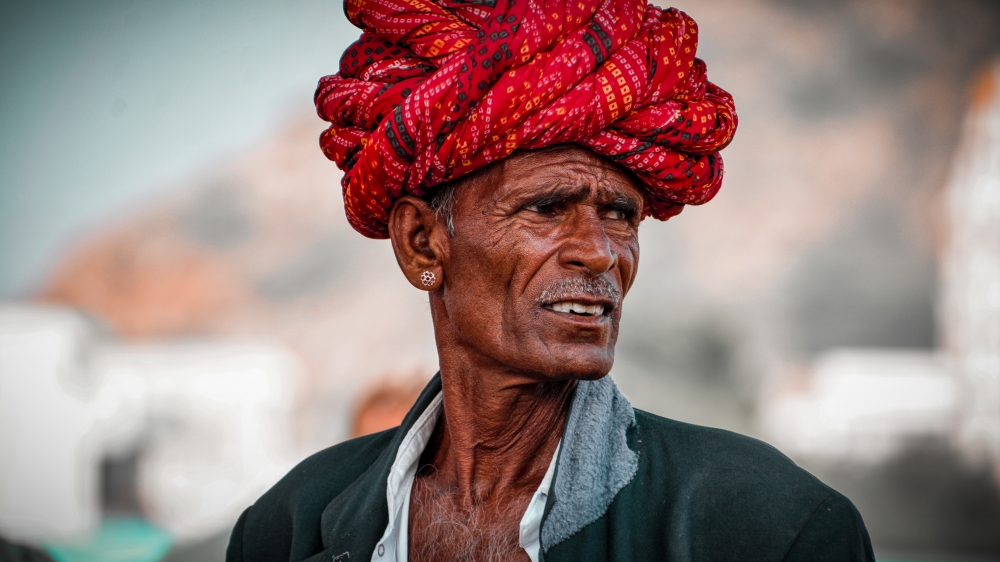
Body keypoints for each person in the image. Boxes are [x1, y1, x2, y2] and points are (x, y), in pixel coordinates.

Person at [227, 0, 874, 560]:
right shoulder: (287, 529)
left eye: (620, 215)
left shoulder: (768, 528)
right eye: (546, 208)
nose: (600, 253)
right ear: (422, 241)